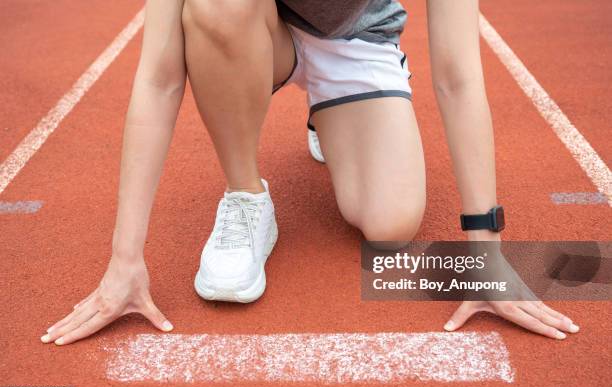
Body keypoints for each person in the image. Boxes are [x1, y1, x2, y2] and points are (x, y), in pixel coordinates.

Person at [41, 0, 579, 346]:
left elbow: (458, 76)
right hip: (253, 28)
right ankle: (247, 195)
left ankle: (329, 115)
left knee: (391, 227)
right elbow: (159, 77)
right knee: (215, 7)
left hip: (355, 41)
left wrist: (484, 252)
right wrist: (124, 260)